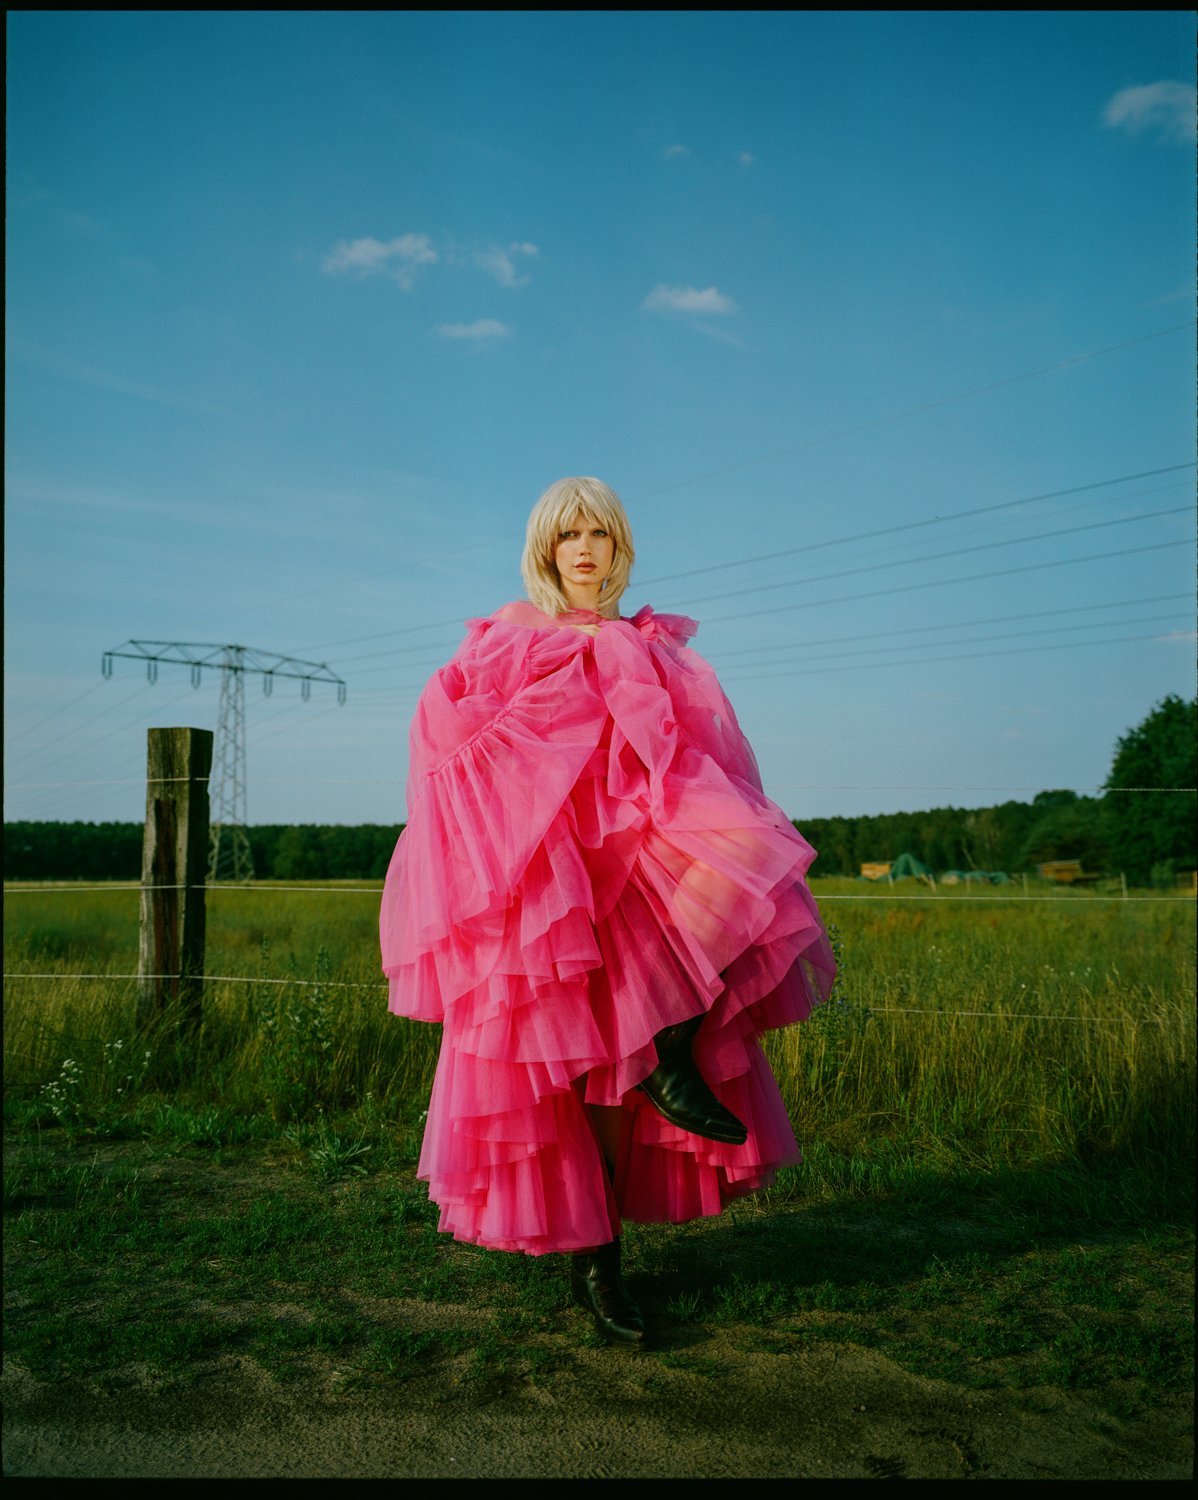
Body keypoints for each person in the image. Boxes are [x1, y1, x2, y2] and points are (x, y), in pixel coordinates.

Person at [380, 476, 836, 1344]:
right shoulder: (515, 629)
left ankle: (670, 1046)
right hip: (554, 876)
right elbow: (448, 730)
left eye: (599, 533)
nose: (583, 549)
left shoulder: (650, 642)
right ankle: (600, 1265)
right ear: (545, 549)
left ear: (620, 547)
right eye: (567, 535)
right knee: (582, 1076)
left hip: (639, 858)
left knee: (751, 856)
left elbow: (703, 754)